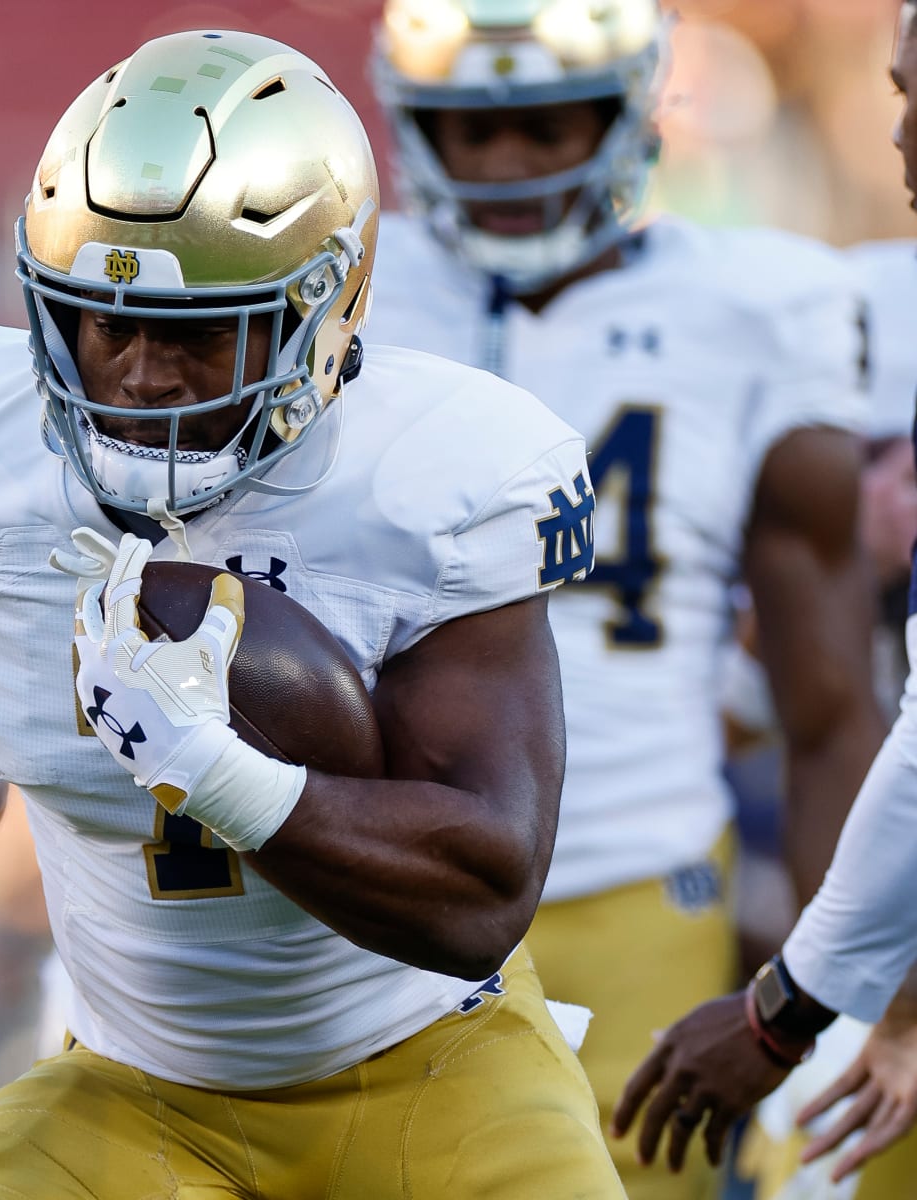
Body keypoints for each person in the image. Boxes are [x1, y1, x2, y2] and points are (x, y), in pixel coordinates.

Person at [0, 28, 625, 1197]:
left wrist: (214, 770)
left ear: (333, 303)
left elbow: (482, 889)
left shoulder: (440, 473)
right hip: (138, 1093)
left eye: (203, 334)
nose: (143, 378)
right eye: (108, 325)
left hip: (430, 1065)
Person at [365, 2, 883, 1195]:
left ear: (634, 109)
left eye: (550, 124)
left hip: (634, 883)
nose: (506, 166)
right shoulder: (350, 298)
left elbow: (827, 707)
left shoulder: (760, 309)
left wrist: (838, 1001)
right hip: (374, 886)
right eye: (466, 129)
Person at [615, 3, 917, 1188]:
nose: (900, 138)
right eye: (893, 93)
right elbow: (761, 678)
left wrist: (780, 1014)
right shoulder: (848, 308)